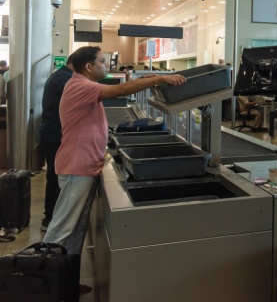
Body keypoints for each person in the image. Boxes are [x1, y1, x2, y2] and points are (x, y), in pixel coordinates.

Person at [43, 46, 186, 291]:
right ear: (89, 66)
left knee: (76, 230)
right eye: (101, 61)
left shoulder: (84, 85)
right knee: (61, 229)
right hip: (77, 167)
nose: (106, 65)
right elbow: (119, 89)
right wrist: (161, 77)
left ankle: (66, 282)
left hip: (86, 166)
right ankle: (42, 286)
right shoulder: (80, 85)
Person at [38, 56, 75, 231]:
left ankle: (51, 218)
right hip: (55, 135)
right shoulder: (64, 79)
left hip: (51, 133)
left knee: (54, 176)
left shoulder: (60, 75)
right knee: (55, 177)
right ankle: (50, 219)